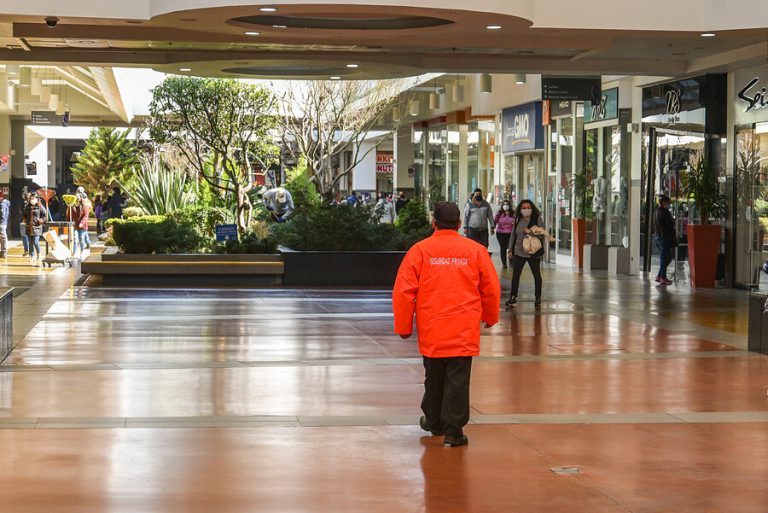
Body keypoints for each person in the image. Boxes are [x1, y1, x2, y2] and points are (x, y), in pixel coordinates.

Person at [393, 202, 500, 447]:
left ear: (434, 223)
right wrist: (491, 316)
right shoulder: (475, 251)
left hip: (433, 326)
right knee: (458, 378)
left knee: (434, 375)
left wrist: (403, 326)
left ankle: (434, 421)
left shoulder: (420, 250)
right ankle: (454, 430)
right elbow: (490, 288)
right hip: (463, 325)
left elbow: (403, 290)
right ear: (460, 224)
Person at [506, 200, 545, 307]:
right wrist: (510, 249)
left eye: (528, 207)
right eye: (524, 208)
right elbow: (513, 235)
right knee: (516, 275)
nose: (526, 210)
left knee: (536, 274)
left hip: (533, 252)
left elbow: (542, 235)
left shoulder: (537, 219)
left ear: (532, 208)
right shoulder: (518, 219)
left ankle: (538, 296)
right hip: (519, 251)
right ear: (520, 209)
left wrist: (530, 231)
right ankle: (513, 296)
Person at [654, 194, 676, 286]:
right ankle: (663, 278)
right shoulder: (664, 212)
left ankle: (660, 276)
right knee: (665, 258)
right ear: (664, 203)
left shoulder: (658, 211)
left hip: (659, 236)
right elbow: (669, 224)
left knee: (668, 257)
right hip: (664, 237)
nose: (669, 205)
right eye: (668, 203)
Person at [23, 193, 47, 264]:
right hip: (29, 227)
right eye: (31, 198)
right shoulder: (27, 206)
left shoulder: (40, 206)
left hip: (37, 227)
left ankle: (39, 255)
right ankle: (32, 256)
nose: (31, 200)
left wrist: (41, 220)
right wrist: (24, 219)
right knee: (30, 243)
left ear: (37, 199)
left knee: (36, 242)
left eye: (33, 198)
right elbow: (24, 215)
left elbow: (45, 216)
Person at [493, 199, 515, 269]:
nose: (506, 206)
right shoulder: (499, 213)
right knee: (503, 248)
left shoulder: (513, 213)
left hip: (511, 233)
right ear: (502, 206)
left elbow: (517, 222)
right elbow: (495, 222)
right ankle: (504, 263)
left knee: (511, 248)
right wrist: (492, 228)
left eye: (507, 205)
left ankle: (511, 262)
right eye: (504, 204)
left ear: (509, 206)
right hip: (501, 233)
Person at [73, 192, 92, 257]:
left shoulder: (85, 206)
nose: (77, 200)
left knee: (82, 238)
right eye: (76, 198)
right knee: (75, 239)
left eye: (78, 198)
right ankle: (74, 253)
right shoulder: (73, 206)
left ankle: (82, 251)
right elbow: (70, 215)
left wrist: (81, 223)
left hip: (82, 226)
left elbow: (86, 216)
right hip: (75, 226)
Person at [19, 192, 29, 257]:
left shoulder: (24, 204)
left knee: (24, 236)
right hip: (27, 222)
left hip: (24, 221)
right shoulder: (30, 204)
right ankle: (28, 250)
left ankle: (27, 250)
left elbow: (20, 211)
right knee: (26, 236)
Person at [0, 191, 9, 258]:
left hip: (1, 224)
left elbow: (2, 216)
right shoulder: (4, 204)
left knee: (3, 238)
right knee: (2, 238)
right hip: (3, 223)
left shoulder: (2, 205)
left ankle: (4, 252)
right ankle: (3, 252)